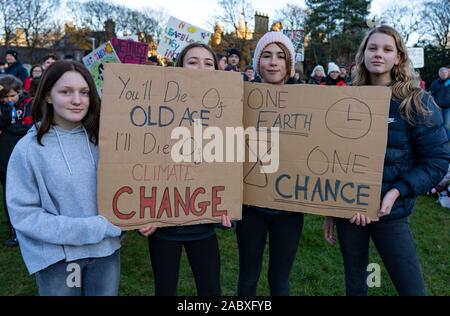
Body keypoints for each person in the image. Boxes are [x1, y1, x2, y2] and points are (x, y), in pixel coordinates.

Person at [323, 25, 450, 296]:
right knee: (357, 283)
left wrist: (397, 191)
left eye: (387, 49)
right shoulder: (347, 100)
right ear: (363, 55)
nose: (378, 54)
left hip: (390, 214)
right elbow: (334, 156)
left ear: (399, 57)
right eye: (372, 48)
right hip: (349, 211)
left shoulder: (417, 102)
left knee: (411, 287)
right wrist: (331, 208)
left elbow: (436, 161)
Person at [6, 60, 123, 296]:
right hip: (59, 258)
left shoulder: (108, 141)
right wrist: (91, 228)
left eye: (84, 92)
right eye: (65, 92)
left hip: (105, 253)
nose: (77, 100)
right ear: (48, 96)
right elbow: (24, 215)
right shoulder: (28, 149)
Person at [138, 43, 232, 296]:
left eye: (208, 62)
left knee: (211, 290)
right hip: (162, 223)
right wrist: (139, 211)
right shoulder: (155, 106)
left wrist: (228, 203)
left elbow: (229, 161)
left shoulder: (226, 110)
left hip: (203, 223)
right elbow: (137, 158)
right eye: (193, 61)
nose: (201, 67)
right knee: (165, 289)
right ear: (179, 66)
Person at [237, 32, 303, 296]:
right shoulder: (239, 99)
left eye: (280, 56)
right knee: (248, 277)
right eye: (266, 55)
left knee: (280, 280)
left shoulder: (307, 103)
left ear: (289, 64)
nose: (273, 62)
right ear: (257, 63)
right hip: (251, 206)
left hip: (289, 209)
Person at [0, 75, 33, 247]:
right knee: (8, 194)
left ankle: (27, 226)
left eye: (12, 95)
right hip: (4, 157)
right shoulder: (3, 107)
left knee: (25, 193)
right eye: (5, 97)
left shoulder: (29, 104)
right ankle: (14, 229)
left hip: (23, 155)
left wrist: (15, 128)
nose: (8, 99)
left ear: (19, 92)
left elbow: (32, 125)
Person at [429, 67, 450, 139]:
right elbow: (431, 95)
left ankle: (447, 138)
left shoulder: (449, 82)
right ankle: (441, 138)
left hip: (448, 107)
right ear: (439, 73)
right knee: (439, 124)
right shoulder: (435, 83)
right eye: (442, 73)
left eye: (446, 73)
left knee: (446, 124)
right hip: (437, 107)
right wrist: (433, 104)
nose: (444, 74)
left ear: (448, 74)